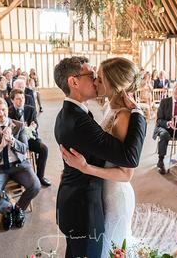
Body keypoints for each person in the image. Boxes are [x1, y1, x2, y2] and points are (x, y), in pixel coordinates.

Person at [54, 56, 146, 258]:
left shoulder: (121, 116)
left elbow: (128, 166)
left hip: (114, 193)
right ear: (74, 82)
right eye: (92, 76)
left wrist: (139, 113)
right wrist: (75, 169)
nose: (95, 81)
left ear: (113, 84)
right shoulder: (83, 117)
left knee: (110, 248)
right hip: (88, 201)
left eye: (99, 78)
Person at [0, 97, 41, 230]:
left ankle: (19, 209)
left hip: (19, 166)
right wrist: (0, 147)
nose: (1, 114)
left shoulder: (18, 125)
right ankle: (9, 209)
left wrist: (12, 140)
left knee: (35, 186)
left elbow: (25, 148)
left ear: (7, 109)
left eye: (3, 110)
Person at [8, 89, 51, 186]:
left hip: (29, 139)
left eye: (22, 98)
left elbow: (35, 124)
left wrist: (33, 126)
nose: (21, 100)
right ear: (12, 100)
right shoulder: (8, 111)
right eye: (18, 99)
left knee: (44, 149)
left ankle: (40, 177)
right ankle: (21, 178)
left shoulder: (30, 109)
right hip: (16, 141)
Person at [153, 82, 177, 174]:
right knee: (164, 135)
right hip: (164, 126)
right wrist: (168, 123)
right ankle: (160, 161)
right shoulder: (164, 102)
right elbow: (159, 120)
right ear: (173, 90)